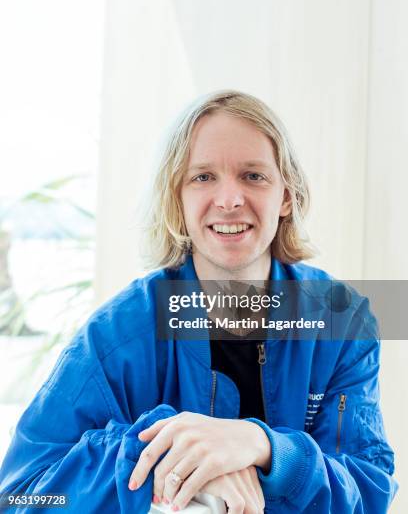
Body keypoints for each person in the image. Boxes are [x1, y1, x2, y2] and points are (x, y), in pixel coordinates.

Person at [0, 91, 398, 513]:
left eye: (253, 176)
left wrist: (263, 447)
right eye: (203, 177)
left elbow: (368, 489)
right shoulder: (118, 334)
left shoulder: (342, 321)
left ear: (286, 196)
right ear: (178, 198)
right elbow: (22, 494)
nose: (228, 200)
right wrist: (173, 456)